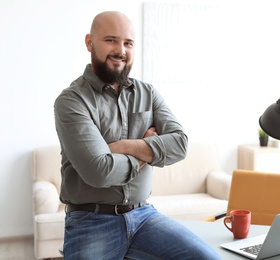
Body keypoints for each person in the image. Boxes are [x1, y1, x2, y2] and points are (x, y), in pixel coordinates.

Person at [54, 11, 221, 260]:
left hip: (144, 217)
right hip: (91, 221)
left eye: (128, 43)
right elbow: (98, 171)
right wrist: (147, 151)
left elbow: (180, 144)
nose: (120, 50)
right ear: (90, 42)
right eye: (111, 40)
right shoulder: (72, 100)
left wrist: (124, 146)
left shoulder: (148, 93)